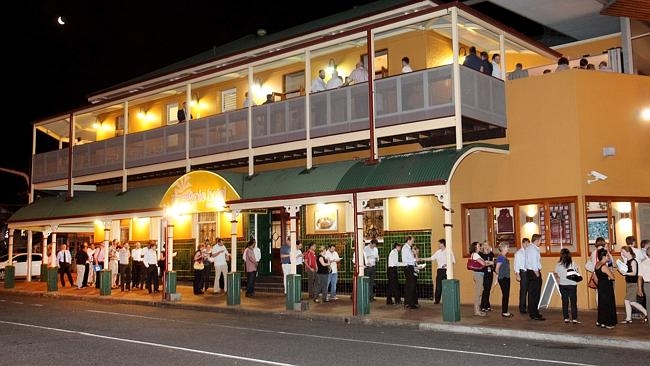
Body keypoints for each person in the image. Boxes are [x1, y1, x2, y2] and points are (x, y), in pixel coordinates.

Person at [618, 245, 648, 324]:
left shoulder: (633, 261)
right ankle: (628, 318)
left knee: (630, 301)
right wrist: (622, 271)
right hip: (629, 283)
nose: (622, 253)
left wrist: (625, 273)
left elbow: (635, 273)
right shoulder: (628, 260)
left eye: (623, 252)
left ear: (628, 252)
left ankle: (646, 313)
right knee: (628, 301)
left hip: (633, 283)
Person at [422, 238, 455, 304]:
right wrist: (422, 259)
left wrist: (446, 265)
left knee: (447, 286)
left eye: (439, 243)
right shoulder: (438, 252)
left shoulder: (449, 251)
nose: (438, 245)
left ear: (443, 244)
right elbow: (431, 258)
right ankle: (437, 301)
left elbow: (453, 261)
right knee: (438, 286)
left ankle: (448, 300)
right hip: (439, 270)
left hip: (446, 270)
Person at [554, 248, 580, 324]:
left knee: (565, 302)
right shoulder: (573, 263)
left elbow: (555, 273)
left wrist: (558, 279)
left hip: (562, 285)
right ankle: (574, 318)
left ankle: (566, 318)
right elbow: (577, 272)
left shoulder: (558, 264)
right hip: (572, 285)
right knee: (573, 302)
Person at [595, 248, 617, 328]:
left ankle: (601, 321)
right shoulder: (604, 266)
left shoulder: (597, 264)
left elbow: (595, 278)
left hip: (600, 286)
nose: (608, 257)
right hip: (607, 287)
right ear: (603, 256)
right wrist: (608, 277)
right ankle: (608, 323)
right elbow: (613, 277)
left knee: (602, 304)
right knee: (608, 304)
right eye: (607, 255)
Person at [526, 233, 545, 321]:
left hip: (530, 273)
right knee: (535, 294)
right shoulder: (533, 249)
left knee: (532, 294)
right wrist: (537, 274)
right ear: (536, 240)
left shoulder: (529, 248)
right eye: (540, 240)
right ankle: (534, 314)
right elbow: (534, 263)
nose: (541, 242)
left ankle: (533, 312)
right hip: (534, 273)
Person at [495, 242, 513, 318]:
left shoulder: (503, 257)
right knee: (505, 295)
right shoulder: (501, 257)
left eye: (508, 247)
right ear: (502, 248)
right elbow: (496, 269)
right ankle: (504, 312)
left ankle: (505, 311)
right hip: (503, 278)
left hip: (506, 278)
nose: (508, 248)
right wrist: (500, 276)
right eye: (507, 247)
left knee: (506, 295)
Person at [469, 241, 487, 316]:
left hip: (478, 275)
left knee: (479, 291)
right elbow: (483, 264)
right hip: (478, 275)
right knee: (478, 293)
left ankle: (477, 309)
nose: (480, 247)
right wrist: (484, 261)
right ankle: (476, 311)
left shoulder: (475, 254)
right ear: (475, 247)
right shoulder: (476, 254)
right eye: (479, 246)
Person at [402, 236, 419, 309]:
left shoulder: (407, 248)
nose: (413, 242)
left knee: (409, 286)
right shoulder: (406, 248)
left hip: (409, 268)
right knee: (411, 286)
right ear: (408, 240)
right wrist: (416, 259)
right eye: (412, 241)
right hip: (409, 268)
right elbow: (411, 259)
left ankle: (407, 302)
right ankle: (411, 304)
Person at [515, 237, 529, 314]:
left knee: (529, 290)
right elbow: (516, 264)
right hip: (523, 272)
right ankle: (522, 307)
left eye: (528, 243)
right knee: (523, 291)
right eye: (525, 243)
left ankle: (530, 306)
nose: (527, 245)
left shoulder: (529, 252)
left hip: (529, 272)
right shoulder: (519, 253)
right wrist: (517, 274)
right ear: (522, 244)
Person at [479, 242, 495, 312]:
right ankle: (483, 306)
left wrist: (490, 263)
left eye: (487, 245)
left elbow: (493, 262)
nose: (486, 246)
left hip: (490, 273)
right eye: (484, 245)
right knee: (485, 289)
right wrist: (487, 263)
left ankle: (487, 305)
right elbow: (481, 263)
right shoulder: (480, 254)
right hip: (483, 273)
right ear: (482, 246)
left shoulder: (491, 254)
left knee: (488, 289)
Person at [637, 246, 650, 327]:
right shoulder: (644, 263)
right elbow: (639, 278)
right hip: (648, 284)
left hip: (647, 285)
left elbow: (639, 278)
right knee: (649, 304)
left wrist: (640, 289)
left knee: (649, 304)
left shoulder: (643, 263)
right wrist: (639, 289)